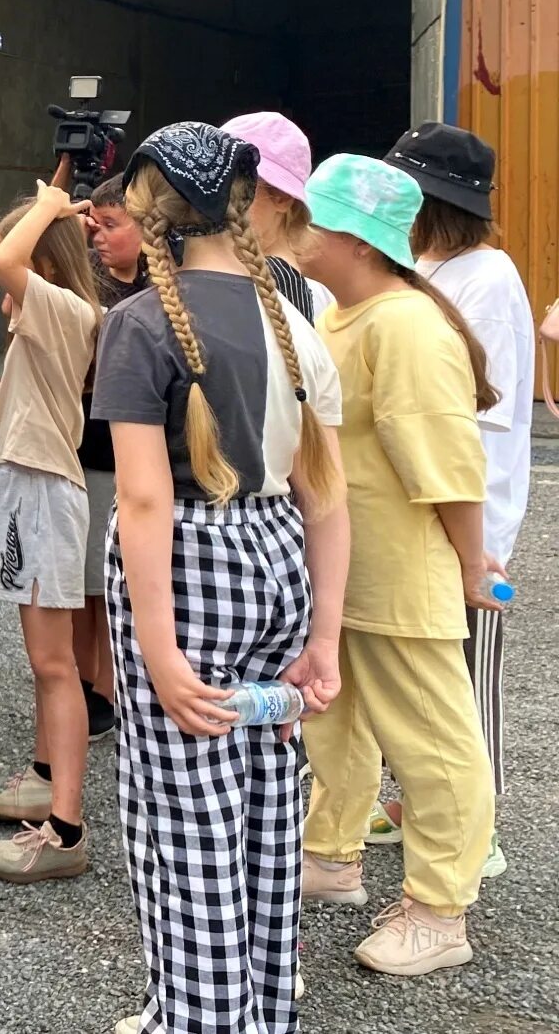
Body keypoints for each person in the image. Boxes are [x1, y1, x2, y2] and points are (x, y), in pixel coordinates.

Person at [95, 121, 349, 1034]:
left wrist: (157, 652)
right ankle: (259, 1010)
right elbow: (328, 495)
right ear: (242, 205)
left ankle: (199, 1017)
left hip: (186, 571)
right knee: (266, 799)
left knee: (184, 825)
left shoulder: (139, 322)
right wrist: (324, 640)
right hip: (278, 557)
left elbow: (146, 500)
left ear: (146, 209)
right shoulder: (292, 318)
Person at [298, 152, 502, 976]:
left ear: (351, 236)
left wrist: (471, 565)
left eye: (311, 218)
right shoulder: (346, 314)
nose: (299, 232)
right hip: (347, 567)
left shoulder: (405, 325)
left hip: (400, 569)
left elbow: (446, 464)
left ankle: (440, 909)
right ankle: (332, 855)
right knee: (335, 721)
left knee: (432, 740)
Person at [366, 123, 532, 880]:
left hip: (474, 512)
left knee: (468, 675)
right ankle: (416, 803)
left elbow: (475, 407)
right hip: (423, 506)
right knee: (421, 677)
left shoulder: (487, 276)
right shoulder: (431, 263)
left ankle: (480, 823)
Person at [0, 184, 101, 884]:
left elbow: (4, 257)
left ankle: (66, 827)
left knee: (54, 664)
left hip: (44, 491)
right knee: (45, 662)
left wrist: (52, 205)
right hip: (27, 486)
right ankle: (49, 787)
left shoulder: (68, 307)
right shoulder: (44, 318)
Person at [79, 175, 150, 741]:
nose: (100, 237)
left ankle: (110, 687)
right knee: (84, 583)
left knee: (116, 583)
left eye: (112, 225)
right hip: (89, 445)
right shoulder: (84, 281)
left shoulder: (162, 286)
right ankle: (90, 686)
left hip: (139, 449)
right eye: (93, 225)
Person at [218, 111, 336, 320]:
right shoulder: (324, 296)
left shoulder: (260, 286)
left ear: (282, 198)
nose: (216, 201)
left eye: (234, 188)